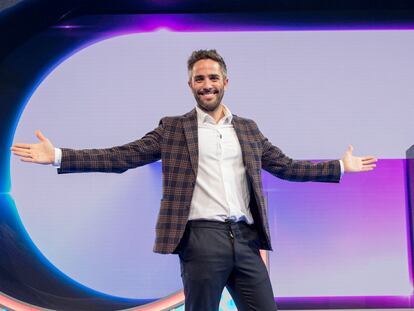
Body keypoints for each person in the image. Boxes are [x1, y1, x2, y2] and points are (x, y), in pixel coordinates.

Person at [11, 49, 377, 311]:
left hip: (247, 240)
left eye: (213, 77)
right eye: (199, 78)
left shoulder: (247, 129)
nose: (207, 84)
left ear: (225, 82)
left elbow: (285, 166)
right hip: (202, 239)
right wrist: (58, 155)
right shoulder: (173, 128)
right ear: (190, 85)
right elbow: (122, 155)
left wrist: (339, 167)